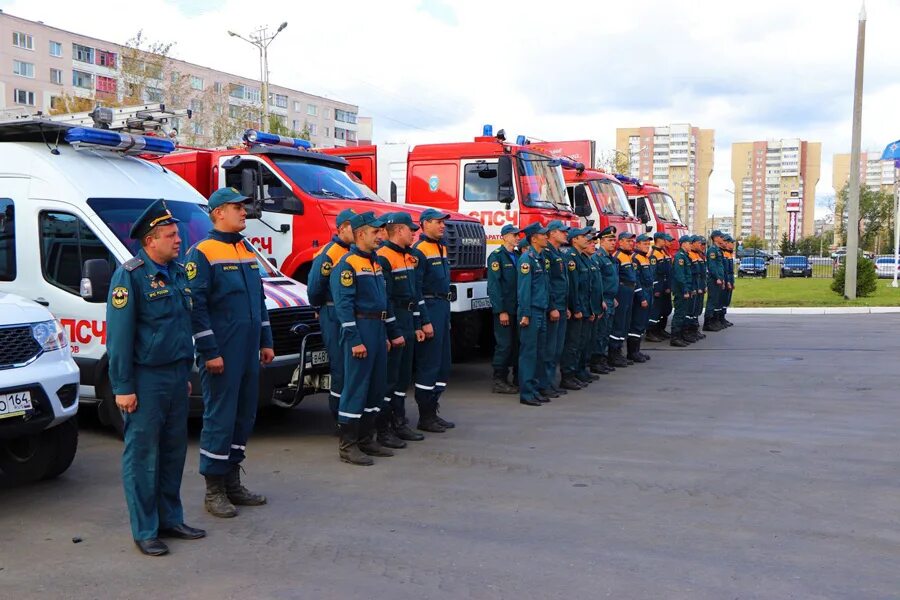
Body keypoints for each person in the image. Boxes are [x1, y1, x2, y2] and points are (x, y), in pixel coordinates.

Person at [107, 200, 204, 556]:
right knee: (143, 455)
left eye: (177, 233)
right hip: (145, 381)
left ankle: (170, 519)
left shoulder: (178, 272)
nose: (179, 240)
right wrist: (123, 388)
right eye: (171, 235)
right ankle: (145, 529)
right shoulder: (129, 276)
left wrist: (183, 373)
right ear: (151, 241)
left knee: (173, 452)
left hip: (176, 377)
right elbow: (119, 338)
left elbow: (180, 328)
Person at [185, 187, 274, 518]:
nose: (244, 212)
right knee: (219, 418)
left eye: (243, 208)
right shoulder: (202, 253)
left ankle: (233, 481)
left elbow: (259, 302)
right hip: (222, 351)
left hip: (248, 350)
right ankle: (214, 489)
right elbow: (197, 308)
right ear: (218, 212)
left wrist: (266, 340)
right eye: (237, 207)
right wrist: (209, 351)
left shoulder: (245, 250)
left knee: (243, 415)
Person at [331, 211, 403, 465]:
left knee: (375, 387)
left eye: (381, 231)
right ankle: (348, 445)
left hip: (376, 329)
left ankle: (365, 439)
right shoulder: (347, 265)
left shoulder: (374, 262)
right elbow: (344, 307)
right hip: (360, 329)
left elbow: (384, 302)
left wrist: (389, 333)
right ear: (361, 234)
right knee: (356, 387)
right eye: (376, 232)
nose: (381, 235)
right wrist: (354, 340)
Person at [375, 212, 427, 446]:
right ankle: (383, 428)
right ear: (398, 231)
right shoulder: (383, 257)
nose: (414, 233)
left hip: (407, 320)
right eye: (410, 229)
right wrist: (392, 331)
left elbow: (413, 295)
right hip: (394, 320)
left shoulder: (408, 256)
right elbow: (385, 299)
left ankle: (399, 422)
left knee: (403, 377)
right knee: (390, 379)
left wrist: (416, 325)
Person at [307, 209, 357, 421]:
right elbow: (314, 287)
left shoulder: (352, 251)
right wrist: (319, 308)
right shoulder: (329, 253)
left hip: (346, 312)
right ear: (341, 228)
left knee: (351, 367)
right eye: (353, 226)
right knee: (340, 367)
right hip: (332, 312)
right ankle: (338, 414)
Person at [412, 209, 454, 432]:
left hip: (442, 307)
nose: (442, 226)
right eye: (438, 222)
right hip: (430, 307)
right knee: (429, 363)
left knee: (443, 363)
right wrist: (423, 320)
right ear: (425, 224)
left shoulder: (441, 246)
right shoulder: (419, 251)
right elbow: (416, 289)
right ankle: (424, 416)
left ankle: (433, 409)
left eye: (442, 223)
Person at [516, 222, 550, 406]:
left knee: (539, 353)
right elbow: (524, 290)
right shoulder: (526, 260)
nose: (546, 237)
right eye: (543, 234)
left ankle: (535, 389)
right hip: (531, 312)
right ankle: (527, 393)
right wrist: (526, 313)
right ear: (534, 238)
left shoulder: (540, 257)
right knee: (528, 354)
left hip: (541, 310)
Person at [486, 224, 520, 394]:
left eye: (517, 235)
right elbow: (494, 286)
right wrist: (501, 311)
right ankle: (499, 379)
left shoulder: (518, 255)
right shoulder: (497, 257)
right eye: (514, 235)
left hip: (517, 308)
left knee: (516, 344)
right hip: (505, 309)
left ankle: (516, 378)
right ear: (505, 236)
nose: (517, 237)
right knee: (504, 345)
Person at [540, 220, 572, 398]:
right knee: (550, 348)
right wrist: (552, 306)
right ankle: (545, 384)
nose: (565, 234)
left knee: (557, 348)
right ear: (552, 233)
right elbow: (548, 284)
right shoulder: (547, 254)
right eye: (562, 231)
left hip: (561, 306)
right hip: (553, 307)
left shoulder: (558, 253)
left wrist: (564, 306)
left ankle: (551, 382)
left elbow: (562, 283)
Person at [559, 226, 593, 390]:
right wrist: (576, 308)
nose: (587, 239)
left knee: (580, 342)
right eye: (582, 236)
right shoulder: (571, 258)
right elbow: (572, 287)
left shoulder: (581, 257)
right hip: (576, 308)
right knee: (572, 344)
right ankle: (567, 376)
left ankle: (576, 372)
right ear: (574, 240)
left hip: (584, 306)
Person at [591, 227, 619, 374]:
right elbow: (597, 282)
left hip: (610, 299)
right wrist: (601, 299)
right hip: (603, 300)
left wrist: (613, 297)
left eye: (614, 240)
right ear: (601, 241)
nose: (613, 243)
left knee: (607, 330)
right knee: (600, 332)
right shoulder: (598, 257)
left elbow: (611, 280)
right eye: (610, 240)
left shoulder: (610, 257)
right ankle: (596, 360)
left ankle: (602, 358)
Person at [608, 231, 637, 367]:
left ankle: (619, 351)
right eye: (628, 241)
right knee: (618, 324)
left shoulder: (628, 256)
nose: (631, 243)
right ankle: (613, 354)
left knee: (625, 323)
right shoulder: (617, 256)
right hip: (622, 291)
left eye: (632, 241)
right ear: (620, 242)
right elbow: (615, 278)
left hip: (629, 290)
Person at [627, 234, 656, 363]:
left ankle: (637, 350)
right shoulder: (635, 258)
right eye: (644, 244)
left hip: (648, 292)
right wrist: (641, 297)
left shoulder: (646, 258)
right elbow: (636, 280)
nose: (647, 246)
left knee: (643, 322)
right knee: (637, 323)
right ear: (637, 244)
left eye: (648, 245)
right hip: (642, 294)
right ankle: (632, 352)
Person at [646, 232, 673, 342]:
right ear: (659, 240)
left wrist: (668, 285)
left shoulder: (663, 252)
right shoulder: (653, 254)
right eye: (664, 240)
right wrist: (656, 288)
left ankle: (660, 330)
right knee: (655, 310)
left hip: (665, 285)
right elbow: (653, 273)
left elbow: (668, 271)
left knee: (665, 309)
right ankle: (651, 332)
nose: (666, 242)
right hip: (658, 285)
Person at [669, 235, 693, 347]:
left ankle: (681, 335)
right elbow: (680, 276)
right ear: (683, 244)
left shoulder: (685, 256)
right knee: (679, 314)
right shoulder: (680, 257)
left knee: (683, 313)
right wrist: (685, 290)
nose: (690, 245)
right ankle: (675, 337)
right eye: (689, 243)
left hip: (686, 289)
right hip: (681, 290)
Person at [703, 230, 727, 331]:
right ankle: (707, 323)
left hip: (718, 279)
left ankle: (713, 321)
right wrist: (717, 278)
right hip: (713, 280)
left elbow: (720, 266)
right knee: (712, 301)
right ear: (716, 238)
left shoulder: (718, 250)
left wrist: (722, 279)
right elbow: (712, 266)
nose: (722, 239)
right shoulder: (712, 250)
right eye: (720, 237)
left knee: (716, 301)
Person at [721, 235, 736, 326]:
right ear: (726, 243)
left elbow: (731, 270)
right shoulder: (723, 253)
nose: (733, 245)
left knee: (727, 300)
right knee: (722, 299)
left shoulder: (729, 253)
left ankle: (723, 317)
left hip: (729, 278)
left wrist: (732, 281)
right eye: (731, 243)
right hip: (726, 279)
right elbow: (725, 270)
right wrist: (727, 281)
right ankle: (720, 318)